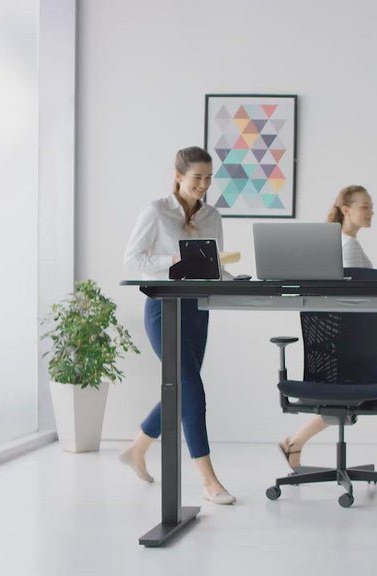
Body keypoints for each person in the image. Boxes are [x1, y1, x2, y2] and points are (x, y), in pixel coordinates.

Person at [278, 185, 377, 474]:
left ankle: (295, 442)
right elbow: (357, 293)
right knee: (373, 391)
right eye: (365, 206)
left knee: (374, 387)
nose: (370, 212)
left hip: (347, 337)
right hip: (355, 337)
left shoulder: (342, 243)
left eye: (371, 206)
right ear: (346, 209)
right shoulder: (348, 245)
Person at [118, 146, 236, 505]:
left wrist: (240, 279)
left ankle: (137, 448)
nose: (203, 185)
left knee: (181, 388)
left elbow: (213, 264)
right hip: (163, 309)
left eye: (209, 178)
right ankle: (209, 481)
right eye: (197, 177)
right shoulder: (155, 211)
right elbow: (132, 259)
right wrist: (176, 259)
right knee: (191, 389)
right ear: (178, 175)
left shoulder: (213, 215)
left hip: (198, 310)